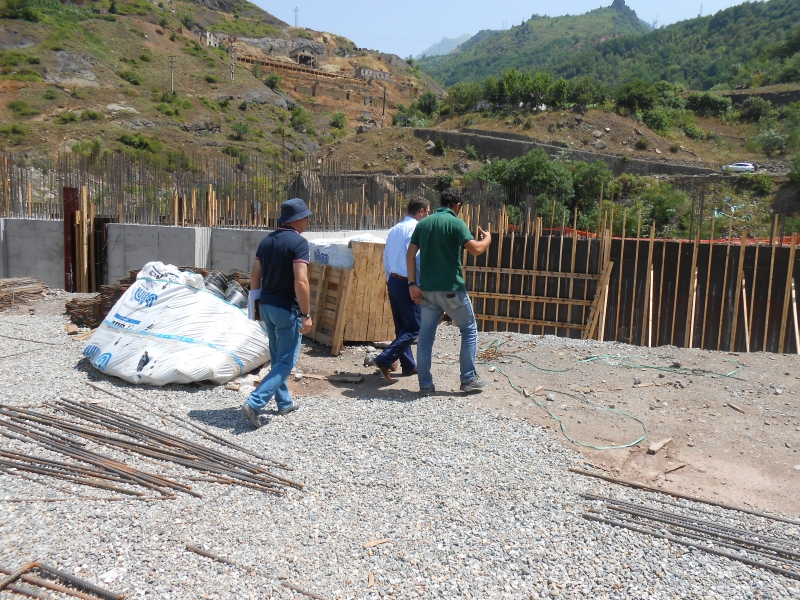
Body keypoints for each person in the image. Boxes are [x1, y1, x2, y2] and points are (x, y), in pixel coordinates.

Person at [407, 188, 491, 395]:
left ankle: (425, 385)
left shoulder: (424, 223)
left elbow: (410, 254)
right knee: (469, 329)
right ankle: (468, 379)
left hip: (427, 291)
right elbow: (476, 249)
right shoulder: (456, 223)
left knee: (425, 338)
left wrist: (411, 284)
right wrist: (487, 238)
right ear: (457, 206)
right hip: (452, 291)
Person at [241, 198, 313, 429]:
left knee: (277, 356)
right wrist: (306, 313)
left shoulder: (266, 241)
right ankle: (254, 402)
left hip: (267, 306)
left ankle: (284, 403)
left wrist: (256, 306)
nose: (309, 221)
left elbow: (254, 277)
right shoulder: (299, 244)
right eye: (306, 217)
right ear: (298, 219)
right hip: (286, 308)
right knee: (287, 361)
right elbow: (301, 281)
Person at [367, 197, 430, 383]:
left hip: (394, 279)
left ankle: (408, 365)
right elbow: (416, 258)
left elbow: (386, 257)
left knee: (402, 326)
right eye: (427, 212)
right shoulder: (414, 229)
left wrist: (390, 279)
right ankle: (386, 359)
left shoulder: (395, 229)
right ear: (421, 211)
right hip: (406, 282)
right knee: (413, 327)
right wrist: (416, 284)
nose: (428, 216)